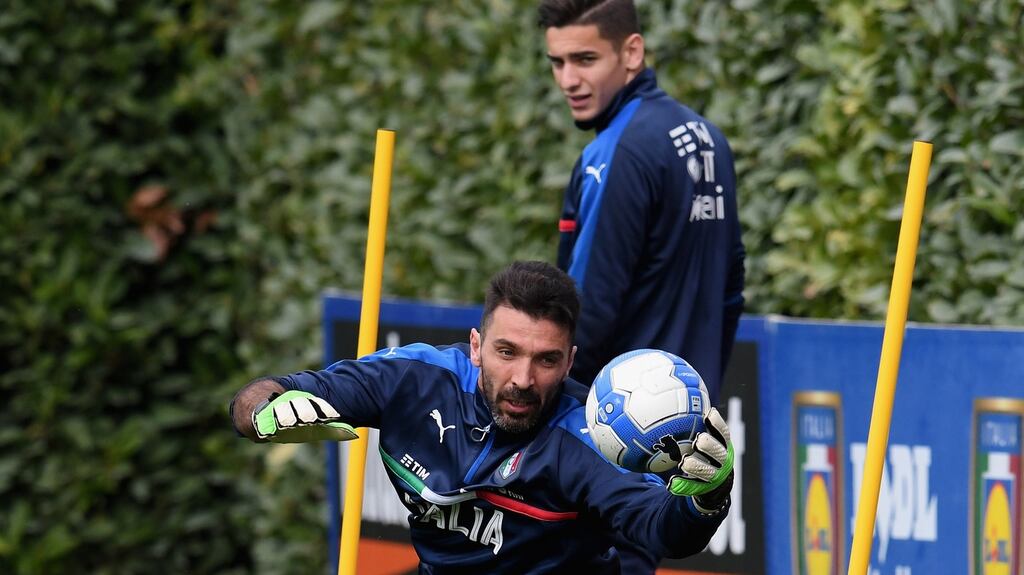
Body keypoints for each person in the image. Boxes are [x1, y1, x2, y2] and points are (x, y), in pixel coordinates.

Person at [231, 261, 734, 574]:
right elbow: (264, 395)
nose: (522, 379)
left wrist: (707, 498)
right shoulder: (413, 378)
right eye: (506, 352)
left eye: (546, 360)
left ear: (569, 363)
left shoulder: (585, 438)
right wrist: (264, 413)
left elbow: (664, 530)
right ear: (476, 346)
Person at [540, 0, 746, 407]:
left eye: (585, 60)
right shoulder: (708, 136)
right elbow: (731, 289)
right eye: (558, 63)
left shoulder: (615, 153)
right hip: (693, 412)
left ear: (632, 52)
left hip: (620, 422)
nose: (568, 80)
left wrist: (555, 410)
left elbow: (587, 309)